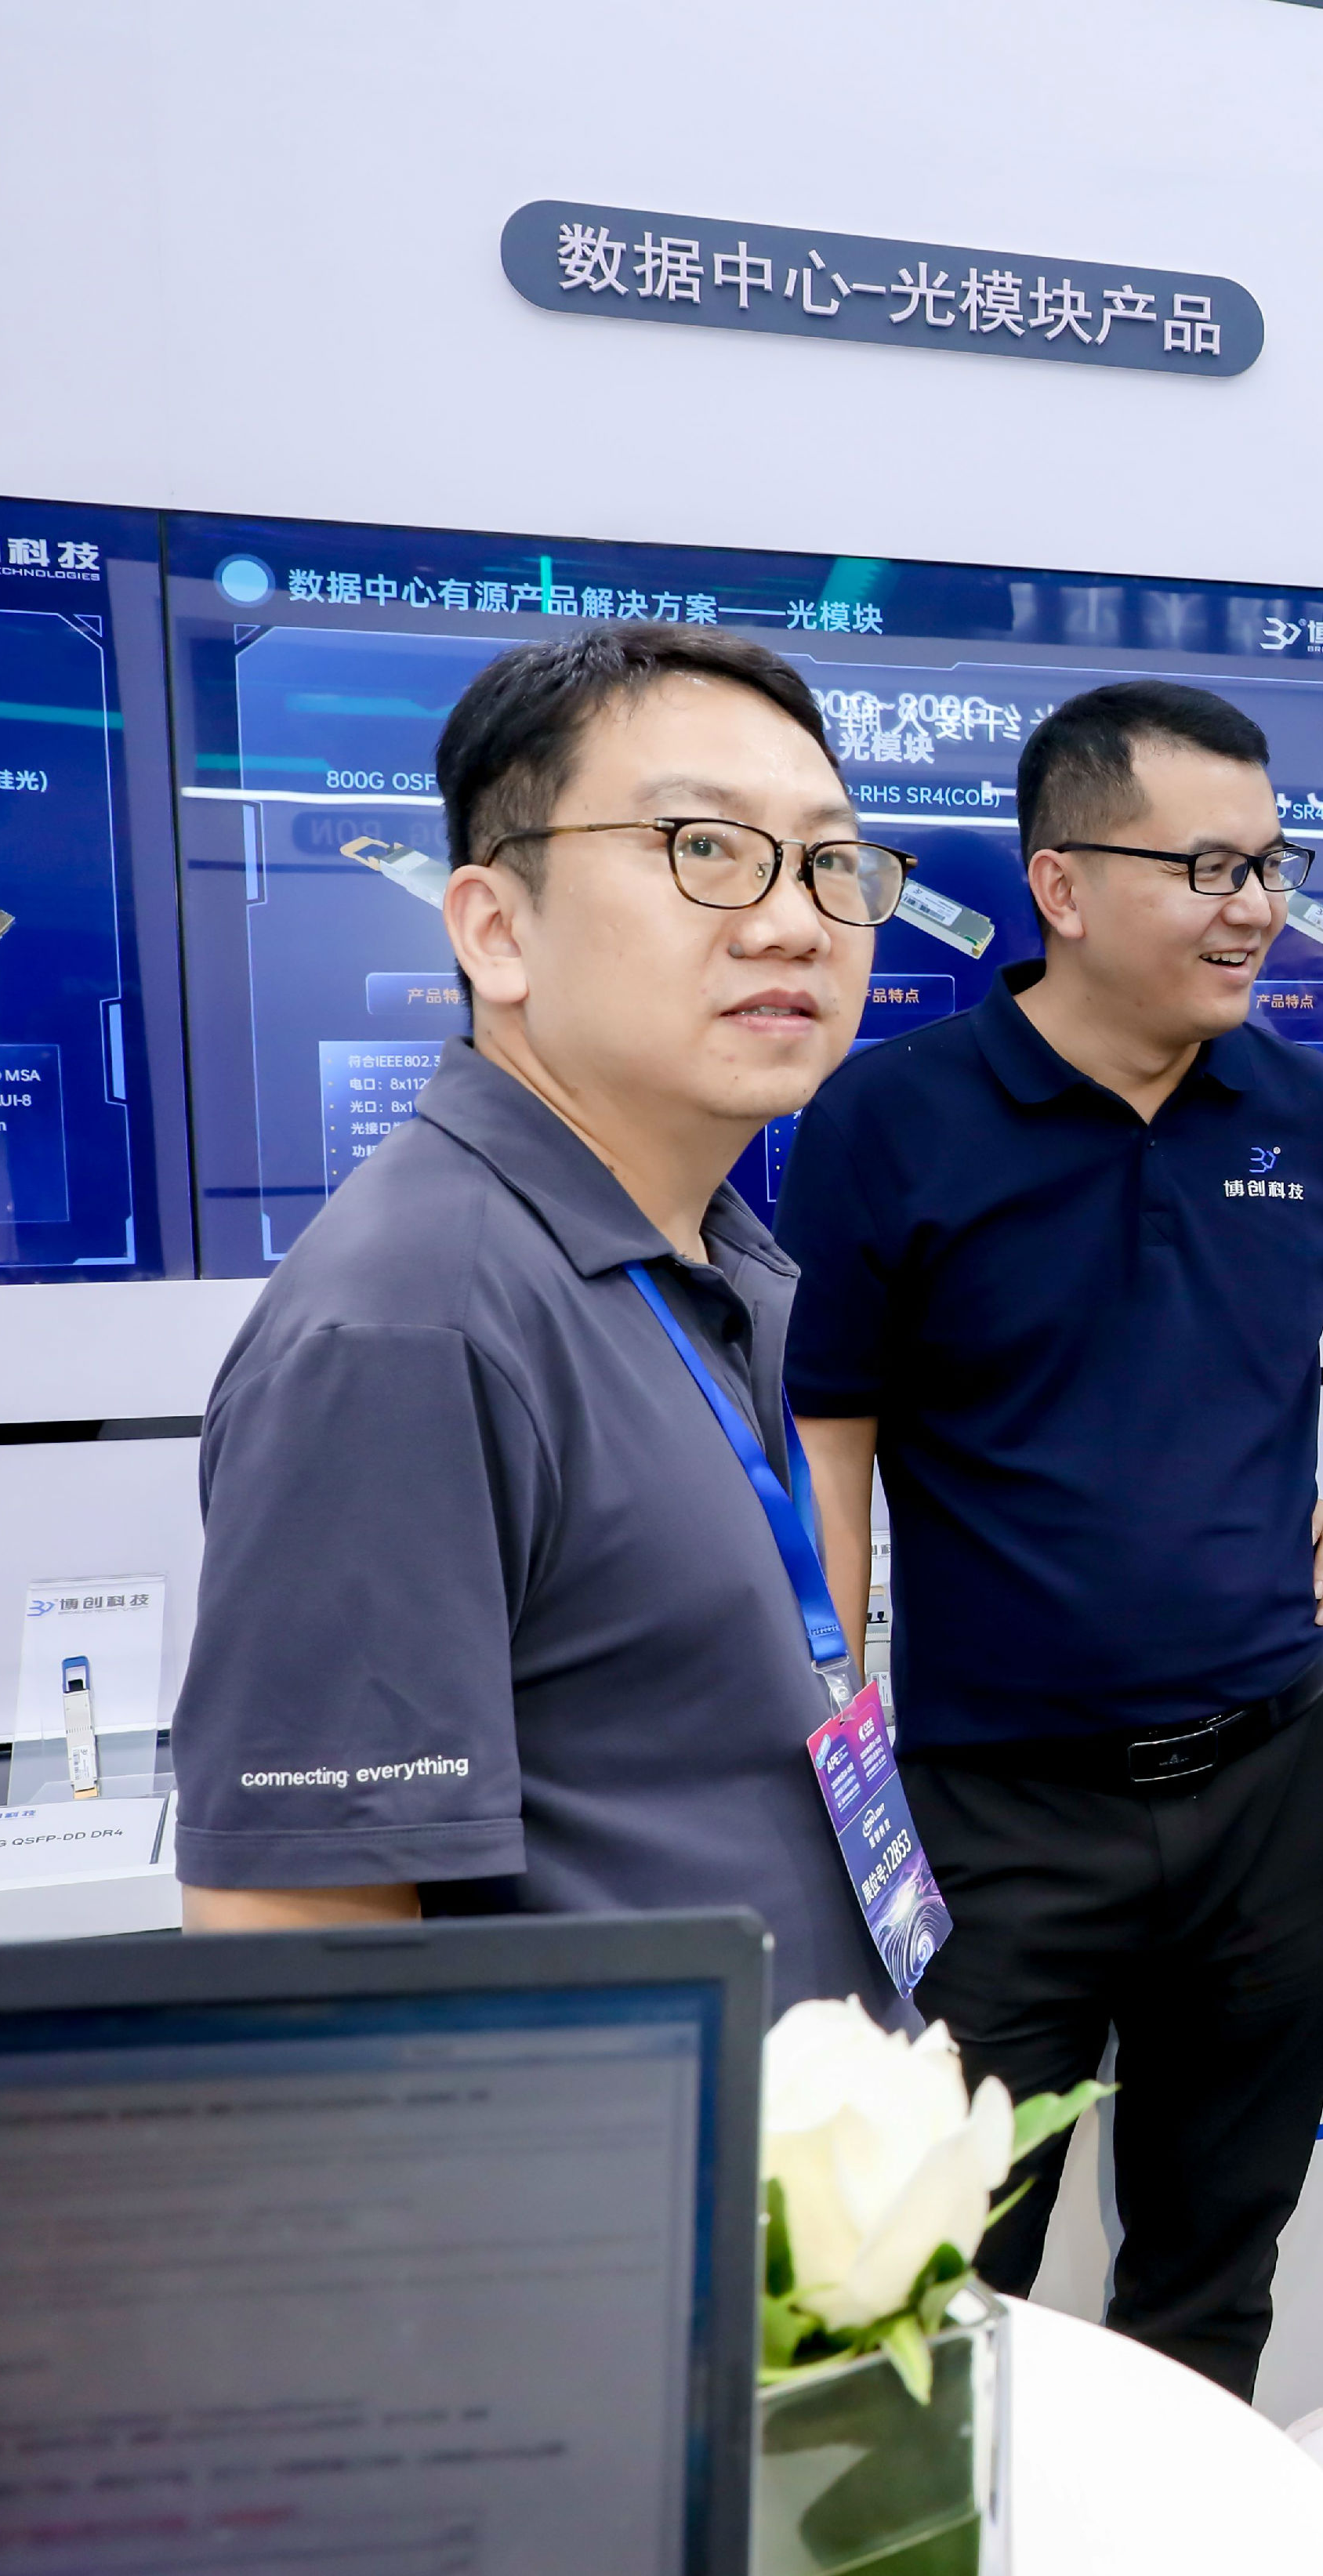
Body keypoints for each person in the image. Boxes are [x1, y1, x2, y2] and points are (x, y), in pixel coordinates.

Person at [778, 679, 1323, 2397]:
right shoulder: (892, 1117)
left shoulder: (1306, 1110)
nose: (1259, 907)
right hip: (998, 1818)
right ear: (1063, 884)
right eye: (1211, 867)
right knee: (926, 2300)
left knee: (1212, 2271)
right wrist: (832, 1692)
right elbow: (830, 1424)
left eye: (1273, 865)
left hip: (1271, 1789)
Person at [176, 624, 904, 2013]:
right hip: (616, 2153)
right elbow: (300, 1943)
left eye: (829, 860)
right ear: (496, 930)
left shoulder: (690, 1247)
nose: (796, 921)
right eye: (704, 846)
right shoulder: (414, 1326)